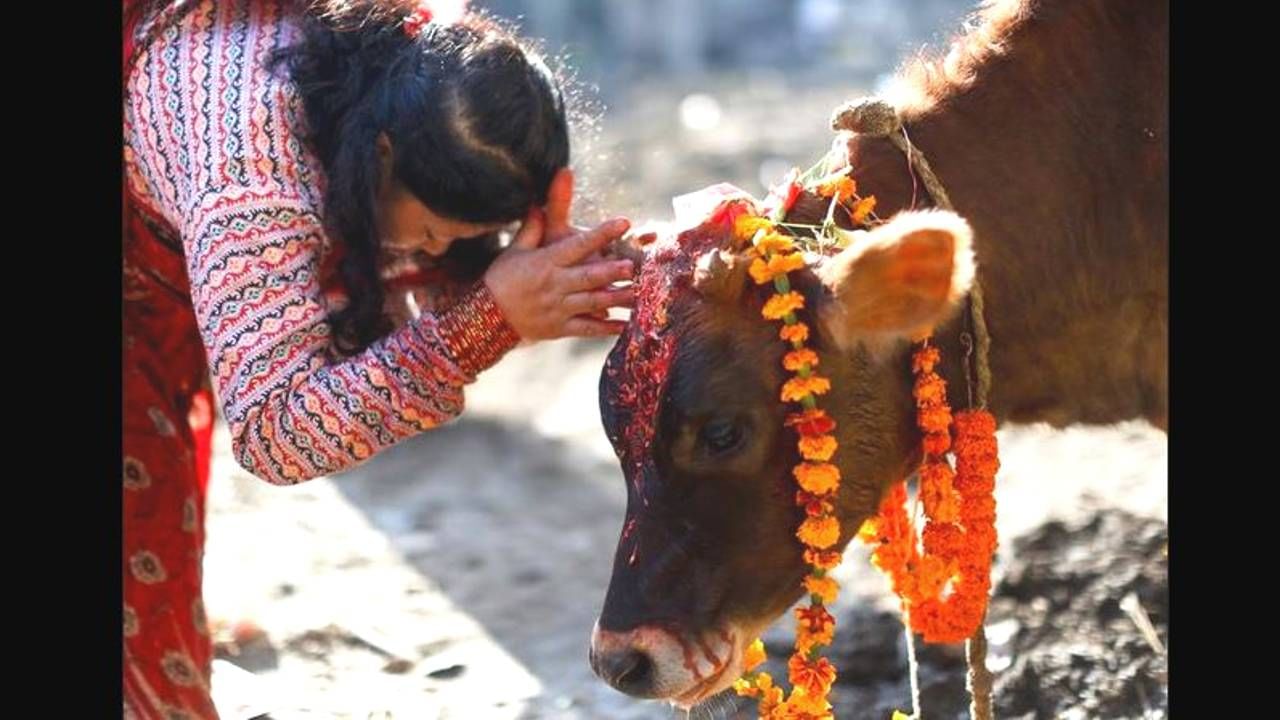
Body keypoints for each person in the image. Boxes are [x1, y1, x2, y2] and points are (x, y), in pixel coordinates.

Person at [123, 1, 635, 716]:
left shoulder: (405, 65)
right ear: (383, 154)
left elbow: (378, 266)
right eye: (430, 232)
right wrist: (486, 323)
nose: (431, 255)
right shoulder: (253, 173)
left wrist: (532, 270)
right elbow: (277, 432)